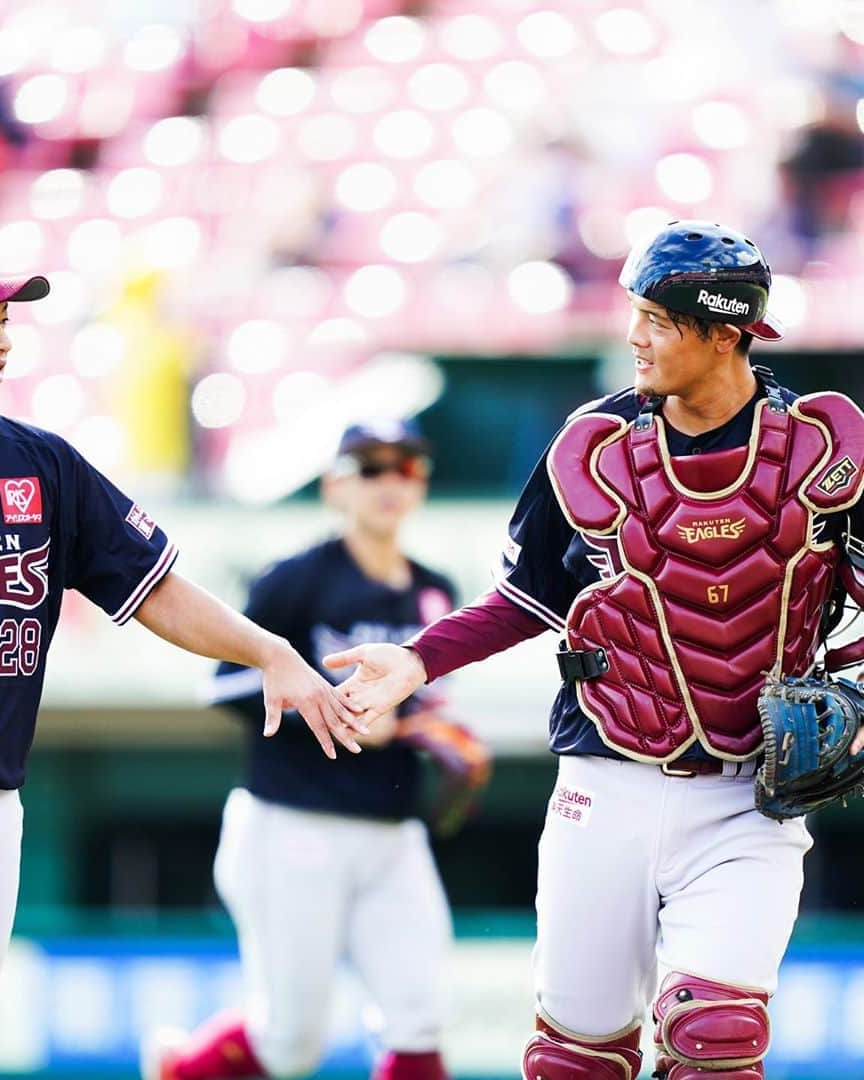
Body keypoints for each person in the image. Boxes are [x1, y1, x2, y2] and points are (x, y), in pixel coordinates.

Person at [0, 231, 366, 1080]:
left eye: (4, 318)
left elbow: (152, 586)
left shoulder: (39, 464)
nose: (4, 337)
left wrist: (267, 649)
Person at [323, 220, 864, 1079]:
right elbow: (525, 597)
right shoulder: (596, 445)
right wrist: (418, 660)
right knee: (577, 1059)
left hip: (750, 799)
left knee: (715, 1039)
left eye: (657, 317)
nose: (633, 335)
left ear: (724, 332)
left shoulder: (825, 448)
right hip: (604, 783)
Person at [148, 421, 490, 1080]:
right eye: (372, 466)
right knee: (289, 1043)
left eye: (408, 466)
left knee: (420, 1020)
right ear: (336, 484)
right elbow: (226, 684)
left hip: (392, 829)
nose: (391, 480)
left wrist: (432, 727)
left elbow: (421, 701)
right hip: (293, 823)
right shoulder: (297, 579)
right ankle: (183, 1069)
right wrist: (337, 710)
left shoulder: (435, 589)